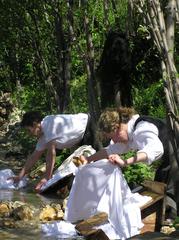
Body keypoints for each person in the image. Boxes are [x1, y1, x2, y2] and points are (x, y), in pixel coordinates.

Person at [64, 107, 164, 239]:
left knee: (169, 190)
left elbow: (156, 149)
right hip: (168, 158)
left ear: (119, 127)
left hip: (174, 151)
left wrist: (125, 161)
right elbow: (109, 150)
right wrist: (88, 159)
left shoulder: (142, 127)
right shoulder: (126, 135)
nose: (115, 141)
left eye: (114, 137)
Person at [9, 111, 94, 192]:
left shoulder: (48, 124)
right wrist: (19, 176)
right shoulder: (43, 136)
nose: (29, 134)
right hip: (83, 136)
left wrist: (47, 177)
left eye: (29, 130)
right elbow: (33, 157)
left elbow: (51, 153)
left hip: (89, 126)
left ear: (35, 125)